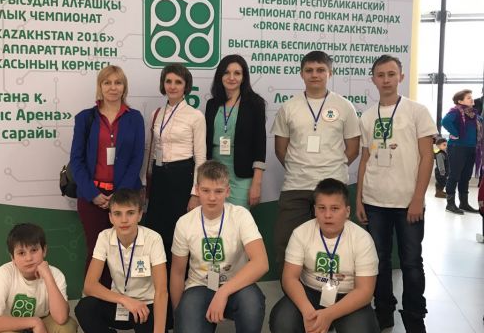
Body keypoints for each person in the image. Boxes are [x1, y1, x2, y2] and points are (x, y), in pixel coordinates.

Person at [356, 55, 437, 333]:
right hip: (374, 201)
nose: (386, 79)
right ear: (373, 79)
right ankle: (383, 312)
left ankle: (415, 323)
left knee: (411, 263)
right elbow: (364, 159)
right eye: (380, 75)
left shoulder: (417, 111)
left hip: (407, 203)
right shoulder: (367, 116)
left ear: (401, 77)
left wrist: (418, 198)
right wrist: (359, 197)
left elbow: (427, 157)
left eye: (391, 74)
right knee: (377, 261)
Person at [271, 50, 360, 274]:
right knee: (286, 243)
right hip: (296, 186)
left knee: (333, 245)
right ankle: (292, 292)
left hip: (332, 186)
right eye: (309, 70)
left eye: (321, 70)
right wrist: (300, 167)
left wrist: (331, 168)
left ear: (330, 73)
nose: (315, 75)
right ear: (301, 74)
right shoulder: (289, 107)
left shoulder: (344, 106)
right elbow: (280, 150)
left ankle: (328, 290)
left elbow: (353, 149)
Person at [269, 179, 380, 333]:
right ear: (315, 210)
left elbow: (365, 291)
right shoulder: (301, 232)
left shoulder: (362, 239)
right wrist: (308, 312)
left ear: (347, 211)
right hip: (311, 292)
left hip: (347, 295)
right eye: (322, 208)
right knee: (283, 324)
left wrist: (328, 314)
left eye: (335, 208)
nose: (327, 215)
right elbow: (289, 278)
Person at [170, 160, 269, 333]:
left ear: (228, 191)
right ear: (197, 190)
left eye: (218, 191)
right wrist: (179, 314)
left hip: (236, 285)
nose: (212, 197)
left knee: (252, 302)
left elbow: (261, 263)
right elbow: (177, 272)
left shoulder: (241, 216)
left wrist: (223, 292)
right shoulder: (185, 223)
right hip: (199, 285)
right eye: (206, 190)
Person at [70, 65, 145, 287]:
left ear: (124, 87)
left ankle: (125, 300)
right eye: (107, 82)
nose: (113, 87)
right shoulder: (85, 118)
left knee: (126, 251)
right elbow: (76, 160)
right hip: (92, 199)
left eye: (118, 82)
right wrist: (93, 194)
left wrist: (118, 196)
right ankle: (95, 300)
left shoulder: (135, 118)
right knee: (97, 252)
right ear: (100, 86)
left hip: (125, 199)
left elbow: (137, 159)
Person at [75, 189, 170, 333]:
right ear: (110, 217)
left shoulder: (153, 239)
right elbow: (89, 285)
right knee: (85, 308)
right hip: (119, 303)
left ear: (140, 215)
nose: (124, 220)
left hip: (146, 307)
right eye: (117, 214)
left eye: (130, 213)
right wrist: (125, 300)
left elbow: (162, 291)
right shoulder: (104, 237)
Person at [0, 223, 77, 333]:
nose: (29, 258)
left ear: (44, 250)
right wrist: (34, 321)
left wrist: (48, 277)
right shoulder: (4, 274)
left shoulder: (55, 274)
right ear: (12, 257)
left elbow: (61, 317)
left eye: (34, 250)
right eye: (21, 253)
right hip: (9, 329)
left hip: (39, 330)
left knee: (67, 328)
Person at [144, 63, 206, 267]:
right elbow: (151, 150)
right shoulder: (156, 114)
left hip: (182, 177)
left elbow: (200, 157)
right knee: (156, 230)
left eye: (178, 82)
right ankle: (159, 277)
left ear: (186, 86)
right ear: (163, 84)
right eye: (168, 81)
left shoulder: (195, 116)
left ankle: (179, 278)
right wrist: (146, 181)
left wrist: (195, 192)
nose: (172, 86)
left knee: (179, 232)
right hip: (159, 176)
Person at [205, 54, 266, 209]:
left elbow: (260, 145)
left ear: (244, 77)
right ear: (220, 76)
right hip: (214, 174)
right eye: (226, 72)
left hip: (242, 177)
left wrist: (257, 183)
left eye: (237, 73)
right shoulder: (212, 104)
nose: (231, 77)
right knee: (215, 218)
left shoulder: (255, 104)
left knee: (237, 219)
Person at [442, 89, 481, 214]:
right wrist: (456, 133)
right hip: (457, 147)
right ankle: (450, 204)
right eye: (468, 97)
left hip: (471, 148)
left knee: (466, 176)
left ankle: (464, 203)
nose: (472, 99)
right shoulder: (455, 112)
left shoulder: (474, 115)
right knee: (454, 175)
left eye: (471, 97)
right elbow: (445, 122)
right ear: (460, 101)